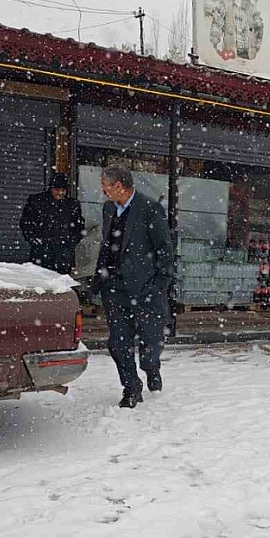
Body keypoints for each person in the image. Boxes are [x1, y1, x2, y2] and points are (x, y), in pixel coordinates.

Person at [93, 165, 173, 409]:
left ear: (119, 186)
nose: (102, 190)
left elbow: (164, 250)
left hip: (144, 288)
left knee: (150, 340)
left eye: (105, 186)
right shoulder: (109, 209)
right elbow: (108, 245)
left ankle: (151, 368)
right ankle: (131, 387)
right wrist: (100, 279)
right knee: (117, 343)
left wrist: (159, 285)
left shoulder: (150, 209)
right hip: (114, 287)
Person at [20, 173, 86, 275]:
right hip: (41, 252)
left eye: (63, 190)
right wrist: (33, 239)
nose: (60, 193)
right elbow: (25, 223)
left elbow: (80, 227)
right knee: (39, 284)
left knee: (62, 285)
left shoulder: (72, 204)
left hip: (63, 254)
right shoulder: (37, 201)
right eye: (57, 190)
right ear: (51, 188)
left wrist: (71, 243)